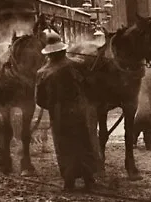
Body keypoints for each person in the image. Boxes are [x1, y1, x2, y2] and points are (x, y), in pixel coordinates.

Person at [35, 29, 102, 191]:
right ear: (63, 50)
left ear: (49, 54)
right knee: (83, 142)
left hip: (58, 113)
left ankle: (69, 181)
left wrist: (53, 106)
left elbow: (40, 100)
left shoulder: (42, 73)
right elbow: (91, 86)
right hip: (79, 110)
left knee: (64, 146)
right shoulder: (77, 65)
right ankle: (89, 180)